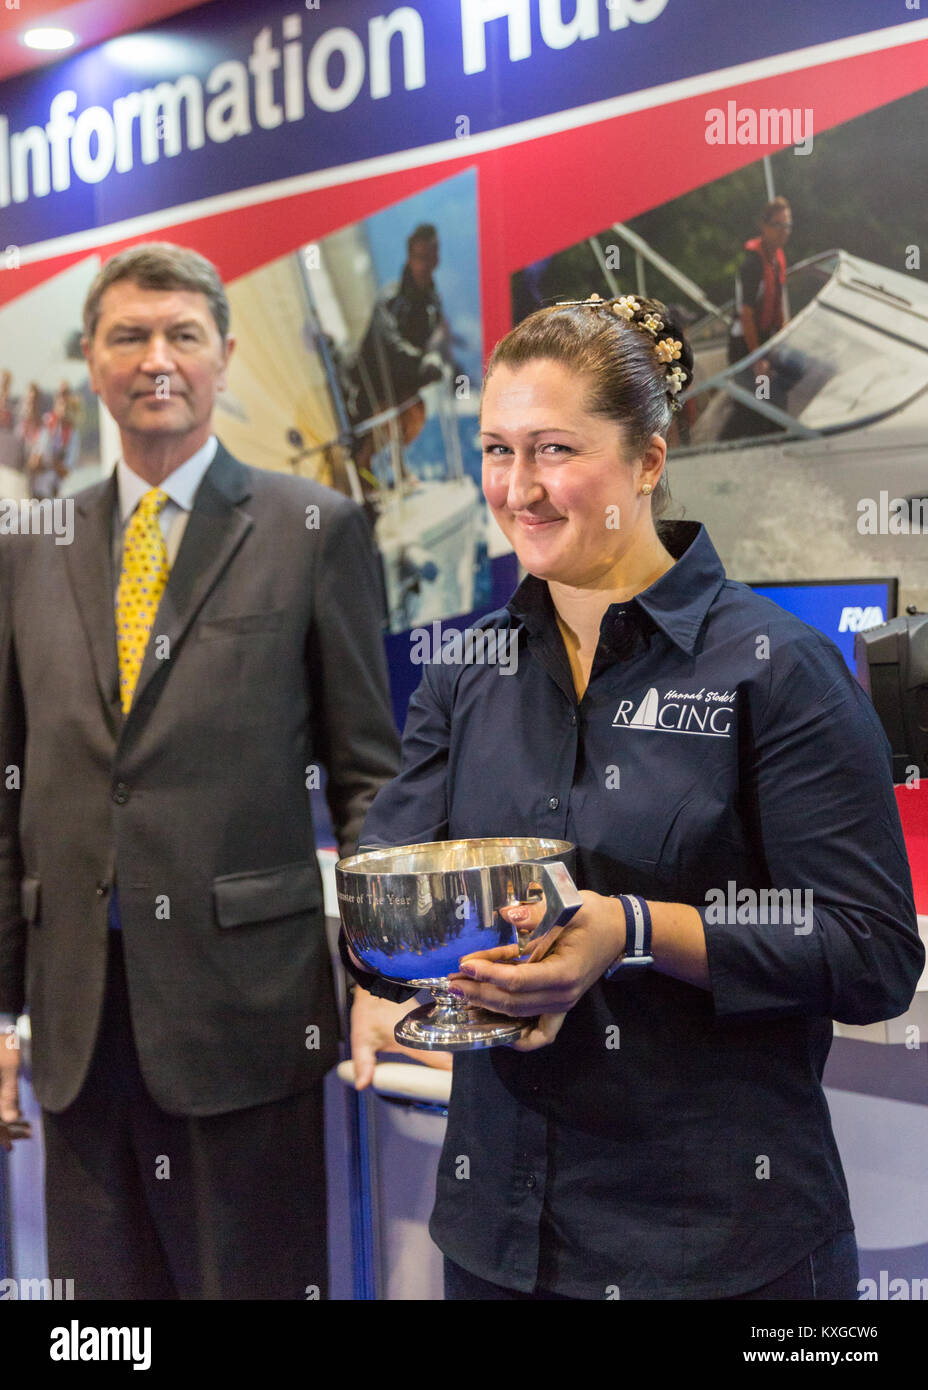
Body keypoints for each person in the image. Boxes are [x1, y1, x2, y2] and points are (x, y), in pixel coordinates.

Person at [345, 291, 924, 1300]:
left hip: (713, 1250)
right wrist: (398, 966)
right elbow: (391, 911)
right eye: (496, 450)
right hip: (496, 1243)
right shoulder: (465, 673)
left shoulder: (773, 670)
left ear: (649, 461)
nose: (517, 487)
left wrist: (633, 929)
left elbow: (871, 953)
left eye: (553, 450)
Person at [0, 242, 401, 1299]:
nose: (157, 357)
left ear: (224, 353)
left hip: (249, 1024)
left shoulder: (315, 530)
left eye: (182, 333)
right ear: (90, 357)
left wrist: (383, 976)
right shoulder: (27, 546)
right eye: (129, 334)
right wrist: (4, 1015)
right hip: (79, 1027)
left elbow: (369, 778)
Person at [341, 223, 456, 492]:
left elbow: (438, 341)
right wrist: (422, 362)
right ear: (410, 258)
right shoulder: (390, 301)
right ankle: (370, 486)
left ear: (437, 257)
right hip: (367, 392)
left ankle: (395, 473)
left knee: (412, 413)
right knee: (371, 442)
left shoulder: (432, 303)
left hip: (402, 392)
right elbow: (387, 343)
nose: (426, 264)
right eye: (420, 257)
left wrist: (435, 360)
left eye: (431, 256)